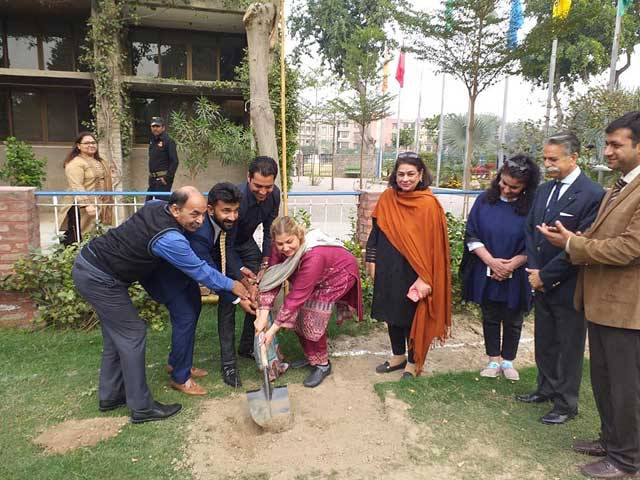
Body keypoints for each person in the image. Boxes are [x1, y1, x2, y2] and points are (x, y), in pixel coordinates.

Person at [71, 186, 249, 423]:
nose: (200, 220)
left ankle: (111, 396)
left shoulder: (156, 206)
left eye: (202, 214)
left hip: (95, 269)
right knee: (133, 333)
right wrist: (233, 286)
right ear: (175, 210)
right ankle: (142, 408)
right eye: (193, 214)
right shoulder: (170, 239)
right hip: (99, 278)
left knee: (116, 337)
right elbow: (200, 270)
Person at [539, 112, 640, 478]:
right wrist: (573, 240)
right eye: (607, 143)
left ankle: (626, 459)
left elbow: (628, 249)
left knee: (625, 385)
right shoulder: (621, 186)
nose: (608, 151)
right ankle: (610, 440)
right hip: (602, 304)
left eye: (616, 145)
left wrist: (571, 243)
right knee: (603, 379)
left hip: (627, 309)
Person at [518, 132, 604, 425]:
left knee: (569, 344)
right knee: (545, 339)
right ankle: (545, 388)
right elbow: (531, 231)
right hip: (539, 279)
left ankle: (566, 403)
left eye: (553, 159)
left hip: (569, 284)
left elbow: (581, 243)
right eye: (545, 159)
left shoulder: (592, 194)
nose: (548, 164)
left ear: (573, 157)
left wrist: (547, 275)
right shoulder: (544, 190)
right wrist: (534, 271)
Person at [365, 152, 451, 379]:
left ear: (421, 174)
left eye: (411, 174)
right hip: (387, 265)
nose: (405, 179)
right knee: (390, 311)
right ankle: (397, 356)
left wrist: (426, 277)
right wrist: (371, 258)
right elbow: (376, 231)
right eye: (401, 174)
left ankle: (413, 361)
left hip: (415, 270)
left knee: (412, 315)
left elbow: (436, 246)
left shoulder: (429, 205)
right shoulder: (387, 198)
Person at [254, 216, 362, 388]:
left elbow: (297, 296)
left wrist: (272, 331)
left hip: (339, 274)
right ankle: (312, 357)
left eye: (290, 242)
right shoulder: (278, 248)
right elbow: (272, 278)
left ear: (299, 235)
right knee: (298, 316)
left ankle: (322, 365)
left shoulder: (313, 256)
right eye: (280, 244)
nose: (285, 248)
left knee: (312, 317)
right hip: (316, 276)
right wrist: (262, 316)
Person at [461, 154, 540, 381]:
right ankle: (493, 359)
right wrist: (492, 262)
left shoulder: (533, 207)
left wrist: (513, 264)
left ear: (526, 186)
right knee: (491, 314)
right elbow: (472, 233)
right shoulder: (484, 201)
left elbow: (535, 240)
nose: (506, 189)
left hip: (518, 272)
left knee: (514, 317)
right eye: (503, 183)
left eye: (514, 187)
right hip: (488, 268)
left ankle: (508, 361)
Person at [187, 182, 256, 388]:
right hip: (190, 270)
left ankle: (246, 348)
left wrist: (242, 278)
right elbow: (209, 275)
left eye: (235, 211)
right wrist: (237, 296)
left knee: (247, 293)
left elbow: (229, 250)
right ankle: (228, 365)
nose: (233, 217)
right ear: (210, 209)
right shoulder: (200, 232)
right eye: (226, 211)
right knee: (196, 313)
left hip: (215, 262)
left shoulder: (229, 222)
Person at [218, 156, 281, 376]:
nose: (263, 192)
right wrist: (241, 279)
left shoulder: (275, 195)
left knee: (259, 291)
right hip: (224, 244)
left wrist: (265, 263)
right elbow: (228, 246)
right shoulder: (239, 198)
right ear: (248, 178)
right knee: (230, 296)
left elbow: (268, 233)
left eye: (268, 186)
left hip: (245, 243)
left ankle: (248, 347)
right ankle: (228, 363)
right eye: (258, 186)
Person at [59, 132, 113, 245]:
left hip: (98, 203)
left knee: (97, 234)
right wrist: (87, 204)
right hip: (81, 207)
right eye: (87, 143)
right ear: (78, 146)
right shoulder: (75, 163)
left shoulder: (100, 161)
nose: (91, 145)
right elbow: (76, 185)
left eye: (93, 142)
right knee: (80, 235)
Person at [146, 117, 178, 200]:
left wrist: (167, 178)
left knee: (161, 206)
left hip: (162, 180)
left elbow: (175, 161)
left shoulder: (168, 141)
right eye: (153, 126)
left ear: (163, 128)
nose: (155, 128)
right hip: (152, 180)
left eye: (157, 126)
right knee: (148, 205)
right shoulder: (152, 141)